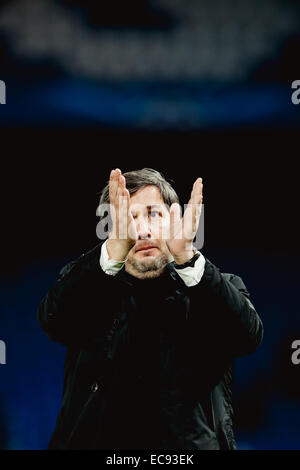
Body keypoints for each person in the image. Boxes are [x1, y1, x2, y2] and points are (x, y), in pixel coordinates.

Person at [38, 168, 263, 450]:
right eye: (129, 218)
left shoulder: (217, 288)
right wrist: (114, 252)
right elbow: (54, 320)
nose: (142, 230)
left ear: (174, 221)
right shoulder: (86, 285)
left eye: (153, 214)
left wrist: (187, 259)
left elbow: (247, 336)